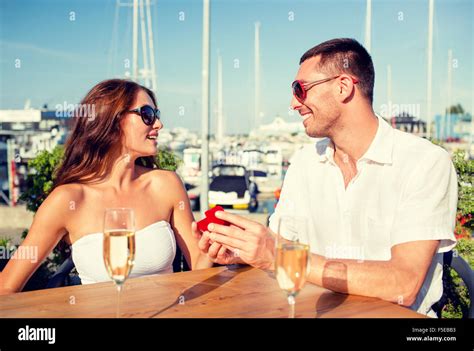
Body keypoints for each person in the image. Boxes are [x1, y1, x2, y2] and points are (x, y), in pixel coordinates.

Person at [193, 38, 458, 317]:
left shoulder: (425, 163)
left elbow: (403, 284)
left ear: (343, 87)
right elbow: (279, 244)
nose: (294, 104)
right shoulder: (304, 163)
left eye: (300, 89)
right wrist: (244, 253)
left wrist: (280, 256)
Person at [0, 79, 214, 294]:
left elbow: (198, 263)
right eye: (147, 114)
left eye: (156, 115)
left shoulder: (166, 184)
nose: (158, 124)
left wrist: (213, 250)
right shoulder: (68, 200)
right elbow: (6, 286)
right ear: (112, 120)